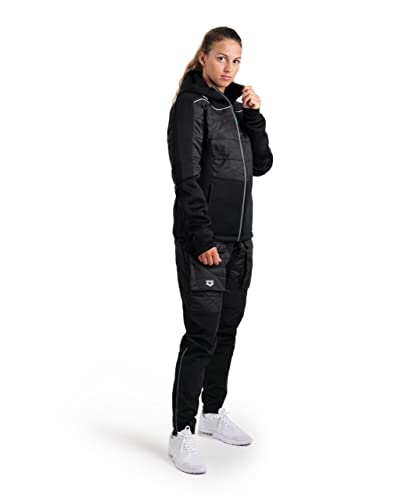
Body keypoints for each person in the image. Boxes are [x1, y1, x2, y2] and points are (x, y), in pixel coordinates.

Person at [166, 26, 273, 474]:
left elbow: (262, 164)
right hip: (206, 242)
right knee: (202, 336)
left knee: (227, 331)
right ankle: (182, 431)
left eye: (237, 60)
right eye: (222, 58)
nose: (229, 67)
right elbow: (186, 175)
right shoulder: (191, 105)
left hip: (240, 241)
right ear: (204, 58)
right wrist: (202, 237)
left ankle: (212, 413)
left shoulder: (235, 105)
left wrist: (255, 116)